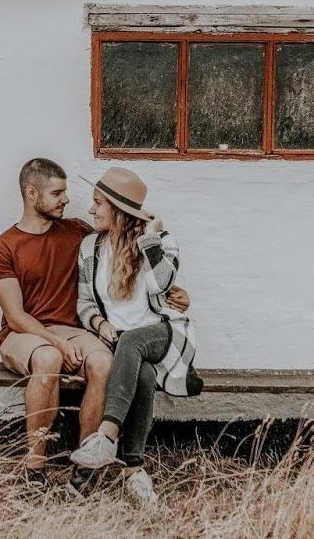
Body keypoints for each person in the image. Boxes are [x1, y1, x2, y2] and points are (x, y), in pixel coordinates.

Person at [0, 158, 188, 492]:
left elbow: (127, 244)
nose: (67, 199)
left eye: (66, 192)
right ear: (31, 193)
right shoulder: (3, 247)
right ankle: (34, 468)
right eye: (57, 193)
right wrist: (59, 343)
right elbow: (16, 316)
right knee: (49, 358)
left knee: (103, 362)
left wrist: (176, 294)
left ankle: (85, 467)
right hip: (23, 333)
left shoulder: (79, 233)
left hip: (74, 329)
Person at [68, 166, 201, 509]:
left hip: (161, 332)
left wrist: (151, 237)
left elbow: (163, 285)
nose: (91, 210)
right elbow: (83, 302)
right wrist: (98, 324)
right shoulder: (89, 248)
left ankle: (106, 436)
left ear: (118, 210)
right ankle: (133, 470)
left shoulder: (160, 241)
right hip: (121, 341)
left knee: (133, 342)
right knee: (140, 371)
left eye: (98, 203)